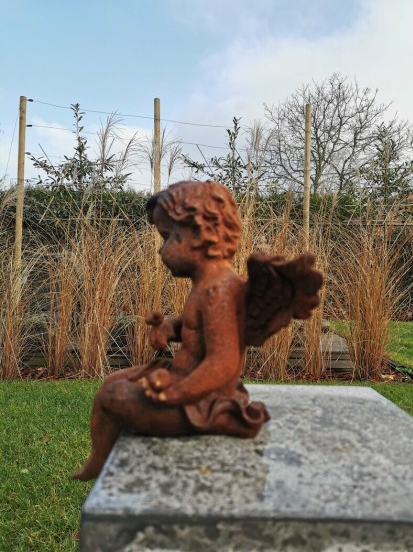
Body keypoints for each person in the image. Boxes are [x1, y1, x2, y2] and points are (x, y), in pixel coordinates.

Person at [72, 180, 270, 481]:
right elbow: (196, 326)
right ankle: (100, 459)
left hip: (202, 400)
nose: (161, 249)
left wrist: (176, 393)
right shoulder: (207, 283)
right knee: (112, 381)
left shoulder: (219, 290)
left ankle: (223, 421)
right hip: (183, 379)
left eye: (167, 237)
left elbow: (224, 362)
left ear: (200, 234)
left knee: (114, 396)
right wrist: (168, 328)